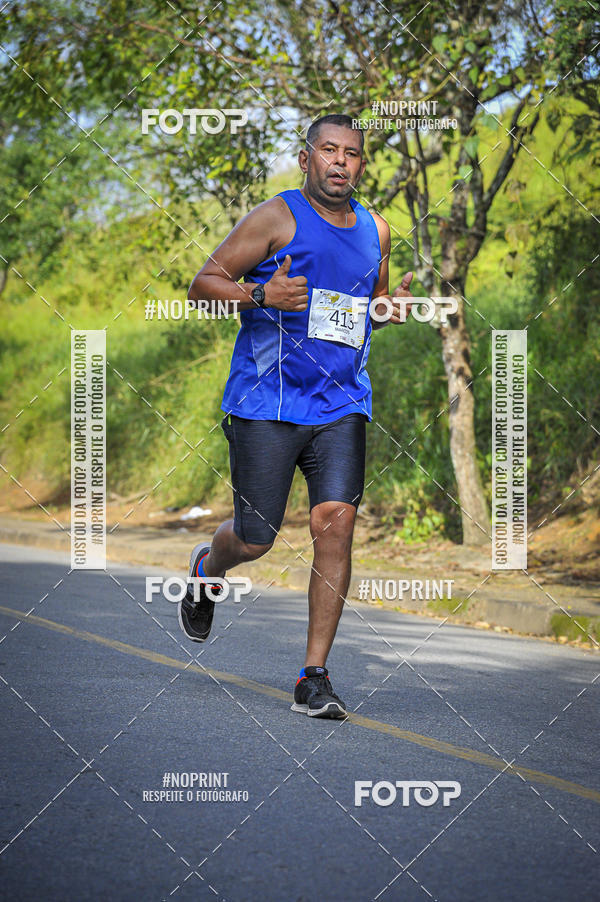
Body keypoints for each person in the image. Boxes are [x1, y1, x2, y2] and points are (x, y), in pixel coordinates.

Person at [180, 113, 414, 718]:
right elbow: (202, 283)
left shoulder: (376, 230)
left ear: (362, 165)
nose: (340, 162)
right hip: (267, 403)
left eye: (352, 154)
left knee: (335, 522)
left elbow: (368, 308)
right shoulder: (275, 217)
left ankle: (314, 676)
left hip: (341, 403)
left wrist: (389, 311)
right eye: (328, 150)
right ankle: (209, 568)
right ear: (307, 158)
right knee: (256, 538)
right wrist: (260, 293)